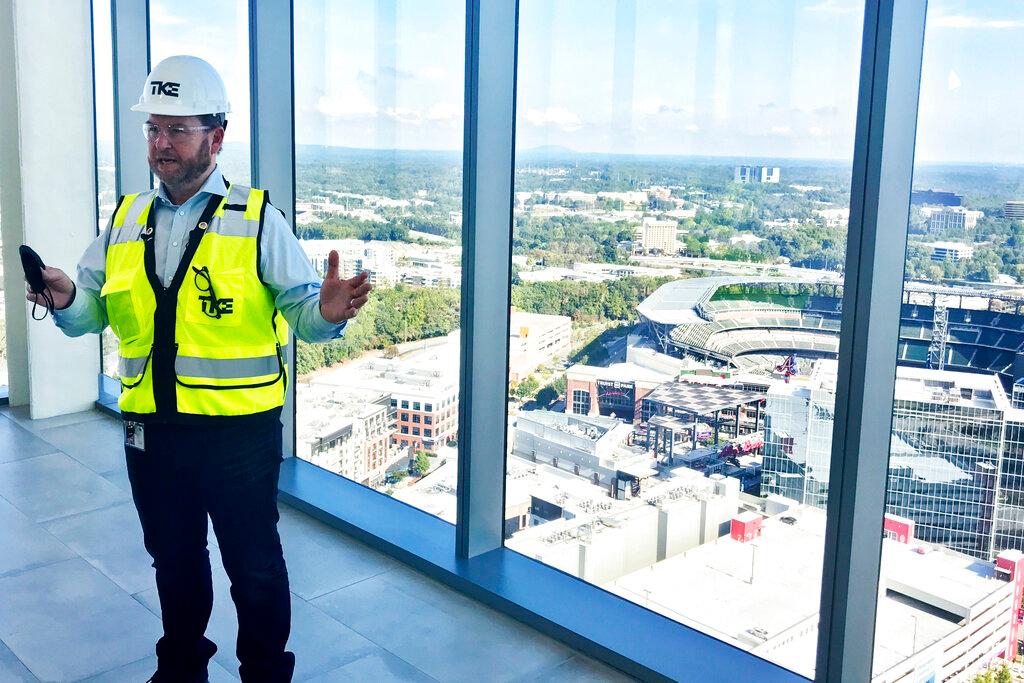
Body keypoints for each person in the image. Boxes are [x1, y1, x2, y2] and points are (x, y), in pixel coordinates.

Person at [25, 55, 371, 683]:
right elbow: (91, 317)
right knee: (174, 560)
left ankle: (265, 672)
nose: (161, 143)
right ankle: (181, 667)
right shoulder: (126, 219)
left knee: (254, 564)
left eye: (176, 129)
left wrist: (328, 312)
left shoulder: (256, 218)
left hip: (238, 431)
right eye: (154, 128)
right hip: (151, 427)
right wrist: (64, 297)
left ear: (216, 136)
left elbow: (305, 318)